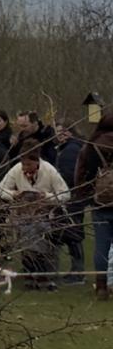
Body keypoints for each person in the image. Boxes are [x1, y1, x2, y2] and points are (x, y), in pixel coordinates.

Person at [0, 150, 71, 291]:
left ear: (37, 162)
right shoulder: (16, 169)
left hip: (45, 215)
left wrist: (46, 196)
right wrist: (14, 193)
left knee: (40, 238)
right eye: (23, 164)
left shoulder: (49, 170)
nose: (25, 167)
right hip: (23, 215)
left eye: (29, 164)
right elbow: (1, 189)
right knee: (27, 236)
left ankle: (40, 275)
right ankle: (33, 275)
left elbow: (65, 194)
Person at [74, 116, 113, 301]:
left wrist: (86, 196)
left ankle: (102, 286)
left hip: (100, 203)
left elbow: (81, 174)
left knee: (101, 246)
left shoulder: (91, 146)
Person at [51, 122, 89, 283]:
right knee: (70, 233)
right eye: (57, 131)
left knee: (73, 234)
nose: (59, 134)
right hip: (73, 197)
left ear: (70, 132)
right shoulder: (67, 149)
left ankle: (78, 272)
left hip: (71, 198)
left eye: (63, 131)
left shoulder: (70, 150)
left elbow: (67, 176)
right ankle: (76, 270)